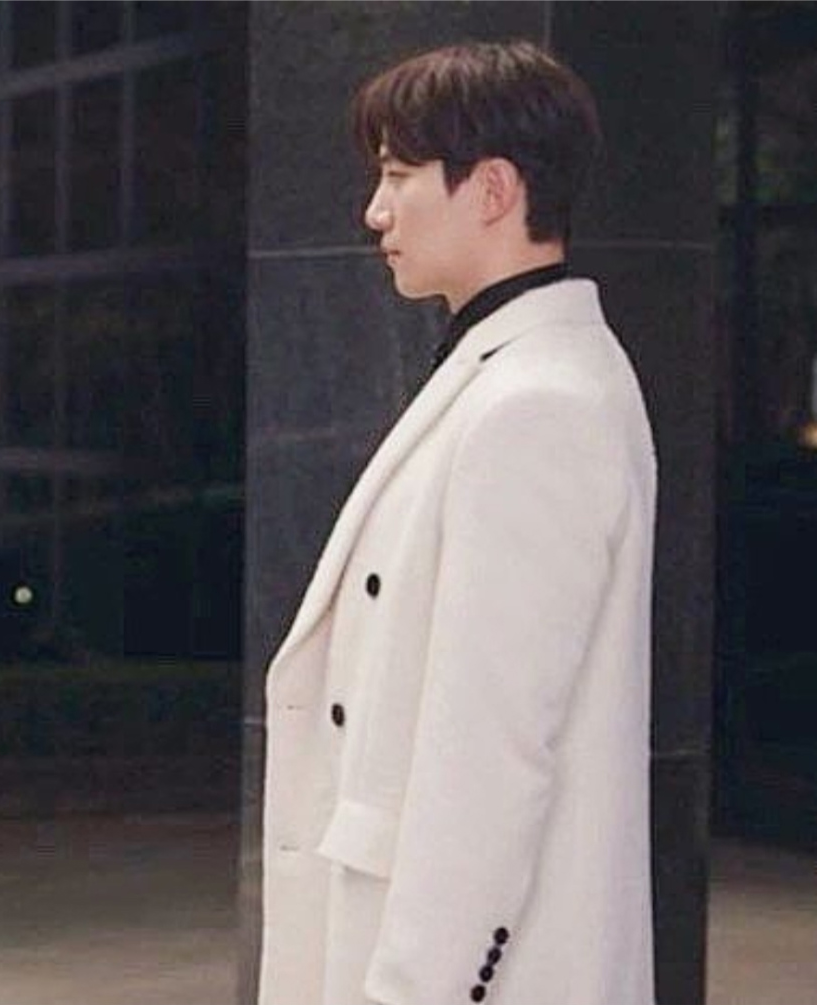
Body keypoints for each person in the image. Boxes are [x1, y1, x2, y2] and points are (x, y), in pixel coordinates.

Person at [258, 40, 657, 1005]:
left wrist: (418, 986)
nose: (376, 211)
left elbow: (492, 755)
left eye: (399, 175)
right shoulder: (516, 376)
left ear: (492, 190)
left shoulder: (538, 403)